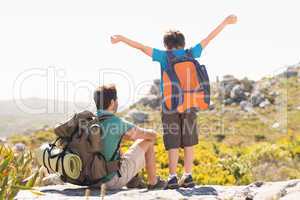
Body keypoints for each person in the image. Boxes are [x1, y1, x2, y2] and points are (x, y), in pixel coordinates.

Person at [110, 15, 238, 189]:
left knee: (172, 141)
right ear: (183, 43)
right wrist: (225, 22)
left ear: (166, 45)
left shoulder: (164, 56)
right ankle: (188, 175)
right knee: (189, 139)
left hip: (169, 105)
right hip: (191, 102)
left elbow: (141, 47)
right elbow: (208, 38)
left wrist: (122, 39)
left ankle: (172, 177)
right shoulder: (191, 53)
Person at [93, 84, 166, 190]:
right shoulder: (116, 122)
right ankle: (153, 182)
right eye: (116, 100)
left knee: (117, 146)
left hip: (91, 180)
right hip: (110, 182)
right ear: (113, 102)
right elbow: (149, 135)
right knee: (148, 141)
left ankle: (133, 180)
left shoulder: (90, 121)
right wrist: (154, 132)